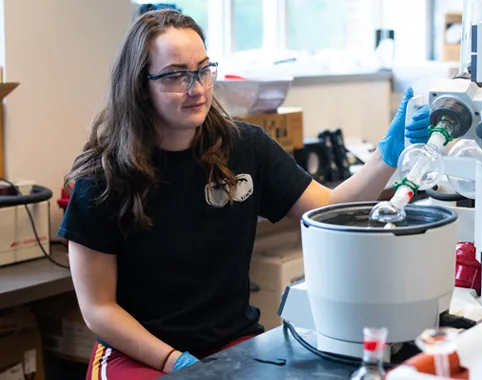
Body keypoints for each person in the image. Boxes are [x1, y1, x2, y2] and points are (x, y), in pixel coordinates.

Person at [57, 9, 431, 380]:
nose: (198, 88)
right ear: (140, 85)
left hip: (231, 342)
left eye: (203, 69)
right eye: (176, 76)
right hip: (139, 353)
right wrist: (175, 362)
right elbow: (98, 309)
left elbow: (329, 210)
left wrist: (386, 158)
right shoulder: (103, 177)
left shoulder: (244, 147)